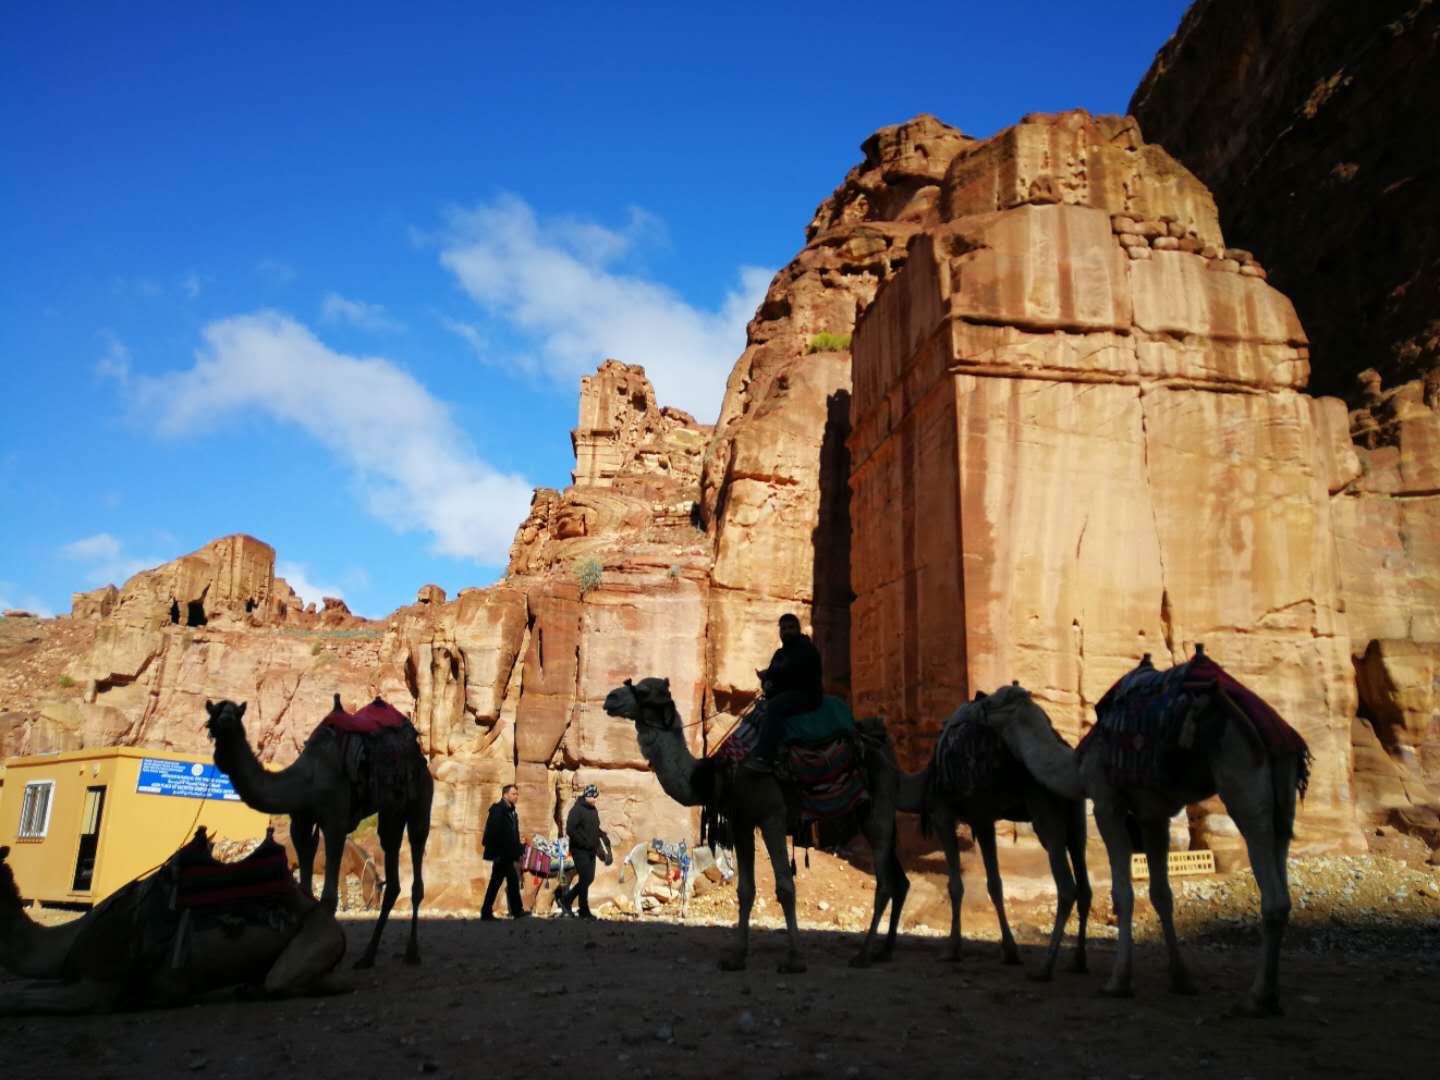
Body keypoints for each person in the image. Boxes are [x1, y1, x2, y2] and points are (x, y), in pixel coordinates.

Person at [747, 612, 824, 768]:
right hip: (785, 694)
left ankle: (765, 757)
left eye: (791, 627)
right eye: (783, 629)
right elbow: (772, 674)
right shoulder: (780, 654)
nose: (787, 632)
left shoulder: (806, 649)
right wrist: (766, 683)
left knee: (775, 706)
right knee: (758, 710)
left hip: (806, 694)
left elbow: (799, 676)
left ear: (798, 629)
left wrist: (773, 682)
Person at [558, 784, 608, 919]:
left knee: (589, 878)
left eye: (596, 796)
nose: (595, 799)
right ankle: (583, 910)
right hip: (579, 850)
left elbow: (595, 828)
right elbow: (570, 830)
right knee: (585, 878)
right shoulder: (577, 810)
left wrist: (601, 836)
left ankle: (566, 900)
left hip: (591, 850)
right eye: (592, 796)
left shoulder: (593, 810)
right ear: (586, 795)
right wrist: (584, 842)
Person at [480, 784, 527, 920]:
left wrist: (519, 850)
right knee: (508, 880)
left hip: (508, 853)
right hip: (501, 854)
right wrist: (496, 854)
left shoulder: (511, 812)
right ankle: (516, 911)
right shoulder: (498, 810)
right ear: (505, 795)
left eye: (517, 794)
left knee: (500, 882)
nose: (516, 796)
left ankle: (487, 911)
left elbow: (513, 835)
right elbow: (491, 832)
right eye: (513, 794)